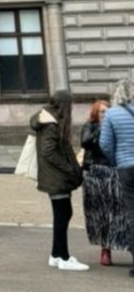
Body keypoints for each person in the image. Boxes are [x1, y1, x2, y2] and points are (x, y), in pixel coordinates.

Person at [31, 89, 86, 270]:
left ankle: (56, 255)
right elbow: (48, 151)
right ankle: (64, 257)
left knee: (63, 214)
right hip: (56, 177)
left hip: (54, 176)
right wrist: (69, 168)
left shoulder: (49, 120)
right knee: (62, 215)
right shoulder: (51, 124)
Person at [80, 98, 128, 266]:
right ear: (96, 113)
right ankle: (105, 249)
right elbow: (85, 142)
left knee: (118, 211)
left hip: (114, 171)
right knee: (100, 213)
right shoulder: (90, 126)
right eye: (102, 112)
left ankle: (123, 244)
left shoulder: (115, 125)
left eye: (107, 111)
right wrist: (101, 129)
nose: (105, 114)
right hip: (96, 172)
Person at [99, 76, 134, 277]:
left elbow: (105, 144)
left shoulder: (111, 114)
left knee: (132, 214)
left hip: (126, 167)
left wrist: (116, 160)